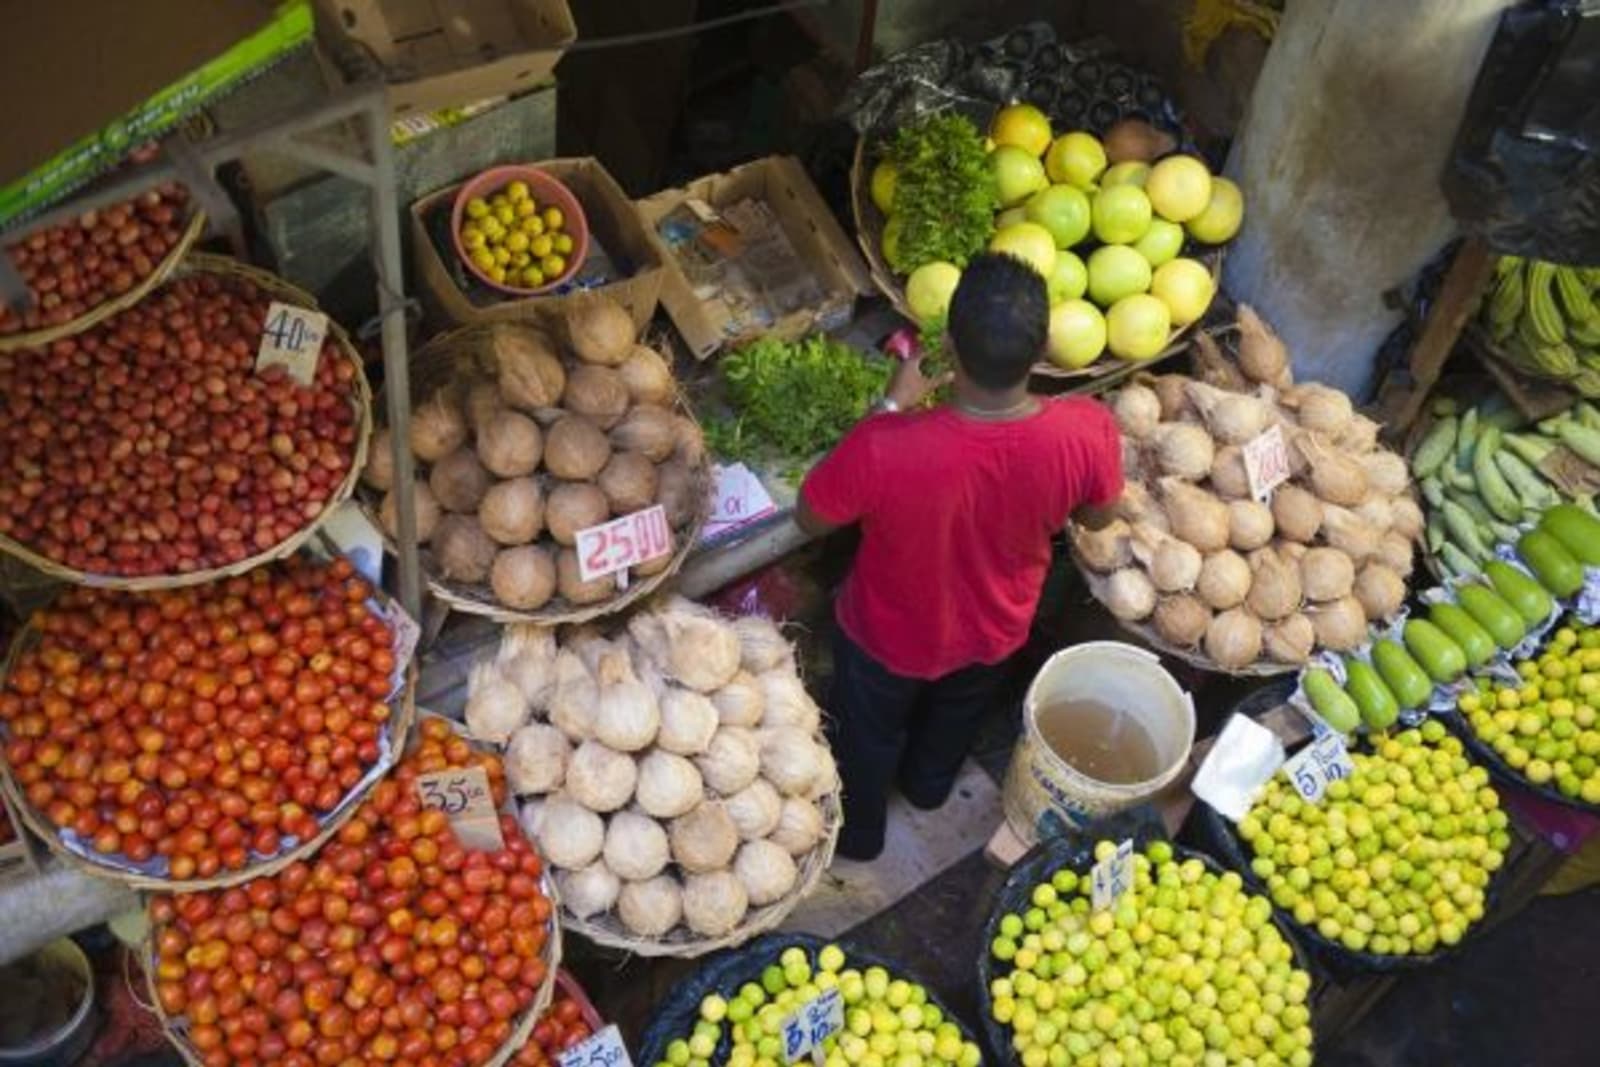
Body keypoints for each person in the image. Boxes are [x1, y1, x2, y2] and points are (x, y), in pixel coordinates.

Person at [796, 253, 1125, 861]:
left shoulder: (884, 447)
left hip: (885, 639)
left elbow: (810, 515)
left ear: (947, 343)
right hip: (995, 630)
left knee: (866, 739)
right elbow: (1099, 518)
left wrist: (892, 405)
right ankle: (927, 791)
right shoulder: (1087, 430)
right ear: (1047, 345)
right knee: (955, 717)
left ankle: (861, 837)